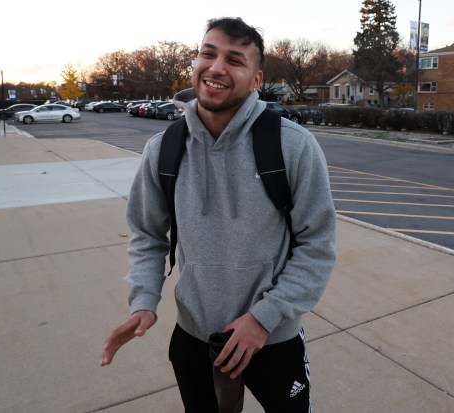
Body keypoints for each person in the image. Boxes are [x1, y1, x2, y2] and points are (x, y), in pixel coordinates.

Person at [100, 17, 336, 413]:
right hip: (193, 337)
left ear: (256, 78)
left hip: (273, 338)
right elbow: (147, 235)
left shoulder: (293, 146)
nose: (216, 67)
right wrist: (143, 300)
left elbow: (317, 246)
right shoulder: (163, 150)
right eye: (208, 54)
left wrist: (263, 319)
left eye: (234, 59)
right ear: (195, 63)